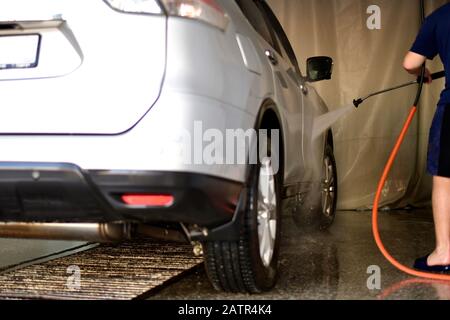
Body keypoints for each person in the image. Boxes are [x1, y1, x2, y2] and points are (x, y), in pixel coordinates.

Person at [403, 3, 450, 272]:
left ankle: (444, 253)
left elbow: (411, 62)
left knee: (444, 178)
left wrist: (423, 72)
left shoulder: (440, 17)